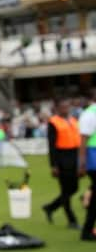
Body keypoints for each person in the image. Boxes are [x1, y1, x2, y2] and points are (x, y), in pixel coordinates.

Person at [42, 99, 81, 230]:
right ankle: (71, 220)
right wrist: (53, 165)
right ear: (57, 108)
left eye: (67, 106)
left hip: (75, 156)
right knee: (65, 190)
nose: (65, 109)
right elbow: (51, 146)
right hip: (62, 158)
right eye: (62, 107)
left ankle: (50, 207)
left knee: (74, 188)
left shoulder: (74, 120)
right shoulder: (53, 123)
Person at [79, 93, 96, 241]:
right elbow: (83, 138)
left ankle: (87, 230)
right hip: (93, 157)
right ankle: (87, 231)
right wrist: (82, 163)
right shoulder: (90, 114)